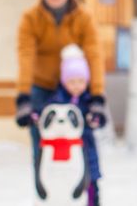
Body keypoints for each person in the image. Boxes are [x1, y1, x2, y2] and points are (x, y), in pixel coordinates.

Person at [14, 0, 106, 179]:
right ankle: (44, 193)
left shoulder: (83, 17)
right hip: (41, 87)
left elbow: (94, 54)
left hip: (73, 89)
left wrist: (97, 96)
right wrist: (23, 97)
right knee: (42, 144)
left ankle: (86, 191)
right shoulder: (31, 18)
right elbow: (25, 55)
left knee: (81, 141)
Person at [45, 44, 105, 206]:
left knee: (90, 180)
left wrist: (96, 118)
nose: (77, 85)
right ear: (64, 81)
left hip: (88, 148)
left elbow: (101, 118)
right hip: (67, 152)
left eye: (81, 81)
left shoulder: (90, 100)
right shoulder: (57, 100)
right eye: (72, 81)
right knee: (69, 182)